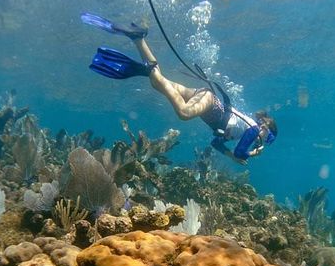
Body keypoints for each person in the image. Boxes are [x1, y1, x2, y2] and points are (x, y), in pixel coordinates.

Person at [81, 13, 277, 164]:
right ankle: (146, 67)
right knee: (184, 112)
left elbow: (216, 143)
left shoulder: (246, 130)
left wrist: (232, 157)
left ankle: (138, 38)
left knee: (157, 82)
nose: (263, 140)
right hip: (210, 104)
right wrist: (253, 152)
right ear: (264, 127)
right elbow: (240, 152)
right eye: (267, 137)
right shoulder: (251, 129)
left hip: (206, 99)